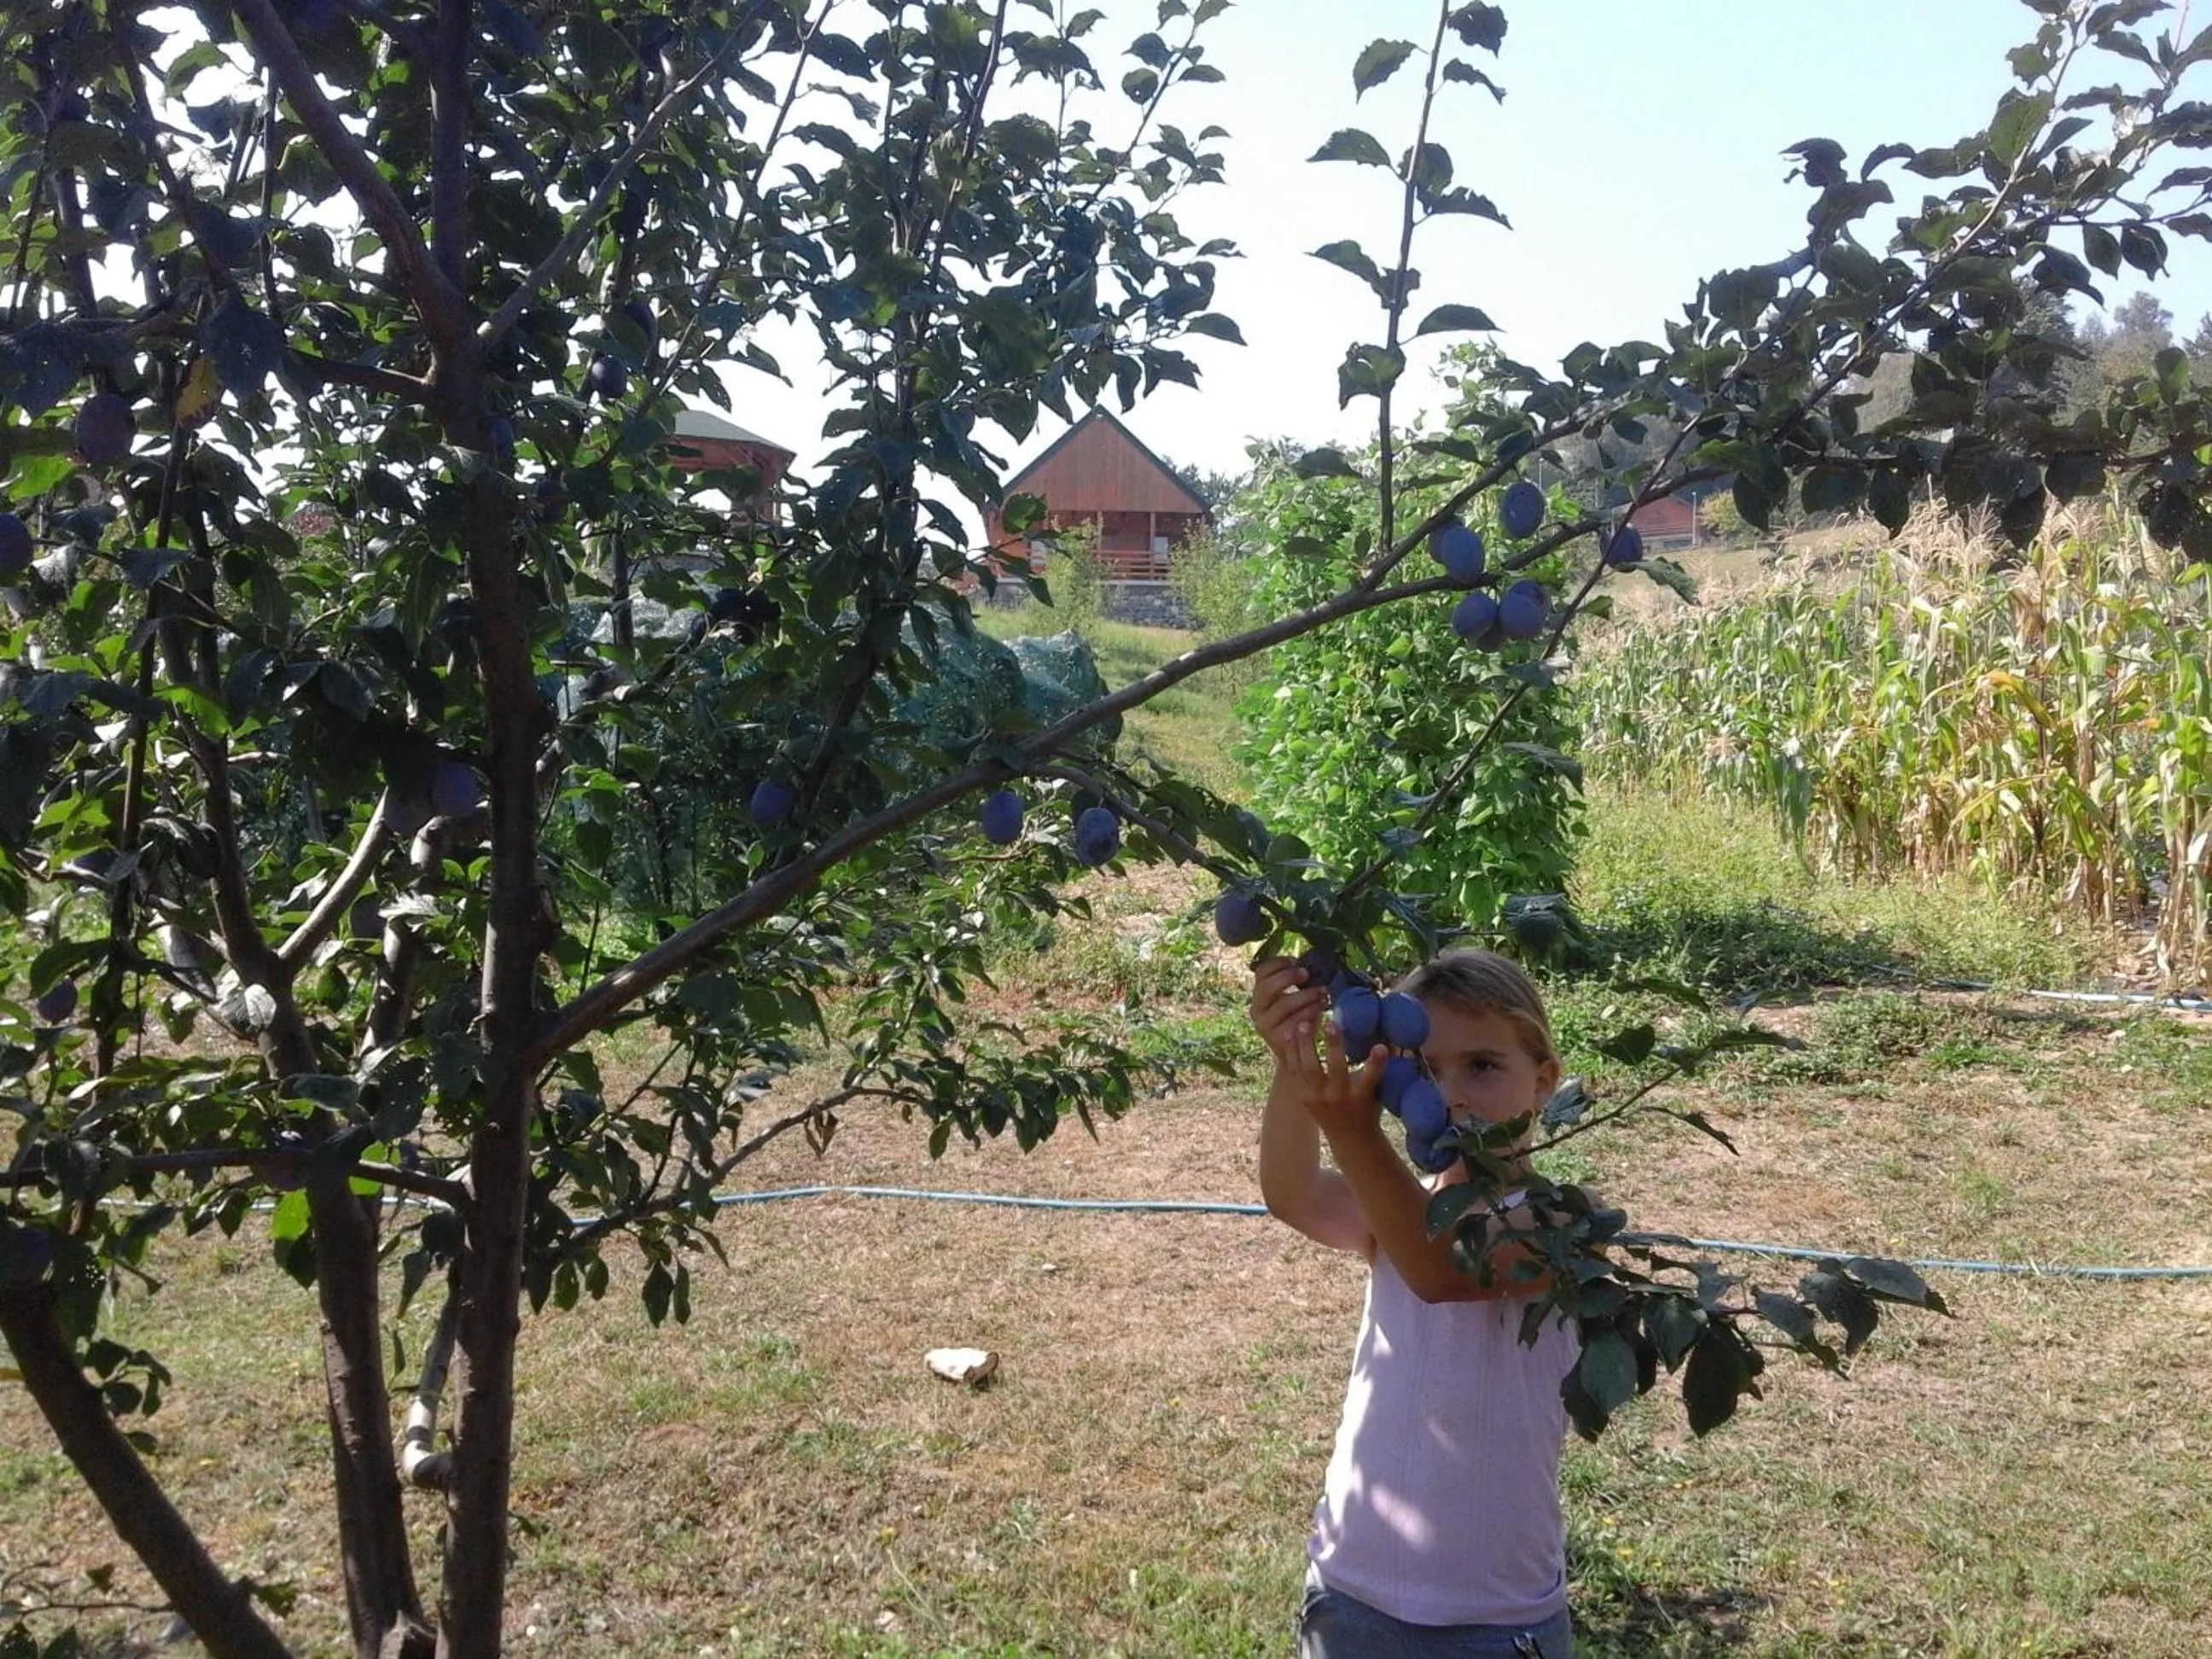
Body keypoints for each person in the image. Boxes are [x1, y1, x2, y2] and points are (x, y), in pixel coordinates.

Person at [1250, 947, 1580, 1659]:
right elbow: (1294, 1193)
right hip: (1353, 1589)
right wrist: (1294, 1058)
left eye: (1483, 1066)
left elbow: (1445, 1270)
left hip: (1498, 1617)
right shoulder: (1397, 1208)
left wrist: (1353, 1130)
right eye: (1424, 1070)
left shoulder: (1563, 1223)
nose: (1453, 1096)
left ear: (1544, 1080)